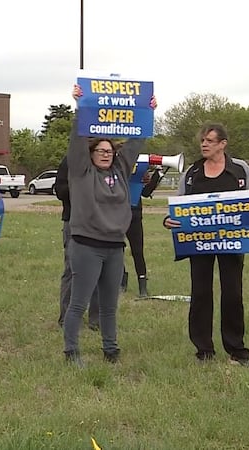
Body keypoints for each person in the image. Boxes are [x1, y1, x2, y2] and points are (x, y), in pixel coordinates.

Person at [63, 85, 156, 367]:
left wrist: (148, 111)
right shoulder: (81, 172)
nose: (105, 154)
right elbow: (77, 141)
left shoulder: (120, 172)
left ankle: (111, 350)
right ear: (91, 154)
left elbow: (136, 141)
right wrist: (80, 107)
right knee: (78, 302)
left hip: (115, 246)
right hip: (86, 245)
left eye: (109, 150)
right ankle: (71, 351)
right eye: (100, 150)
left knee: (109, 305)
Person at [163, 122, 249, 367]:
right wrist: (169, 220)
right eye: (203, 140)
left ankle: (237, 350)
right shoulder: (192, 173)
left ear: (223, 144)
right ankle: (203, 350)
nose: (204, 144)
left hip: (232, 243)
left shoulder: (240, 169)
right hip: (199, 245)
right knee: (200, 294)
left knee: (232, 294)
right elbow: (179, 206)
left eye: (210, 141)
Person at [55, 155, 99, 329]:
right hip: (74, 222)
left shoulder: (106, 158)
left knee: (99, 271)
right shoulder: (70, 160)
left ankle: (97, 319)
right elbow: (60, 190)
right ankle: (67, 318)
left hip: (101, 223)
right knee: (72, 270)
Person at [121, 167, 164, 297]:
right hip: (116, 214)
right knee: (117, 250)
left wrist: (157, 175)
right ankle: (121, 281)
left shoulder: (139, 171)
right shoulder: (116, 170)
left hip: (134, 215)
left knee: (138, 251)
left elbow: (145, 192)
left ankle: (142, 285)